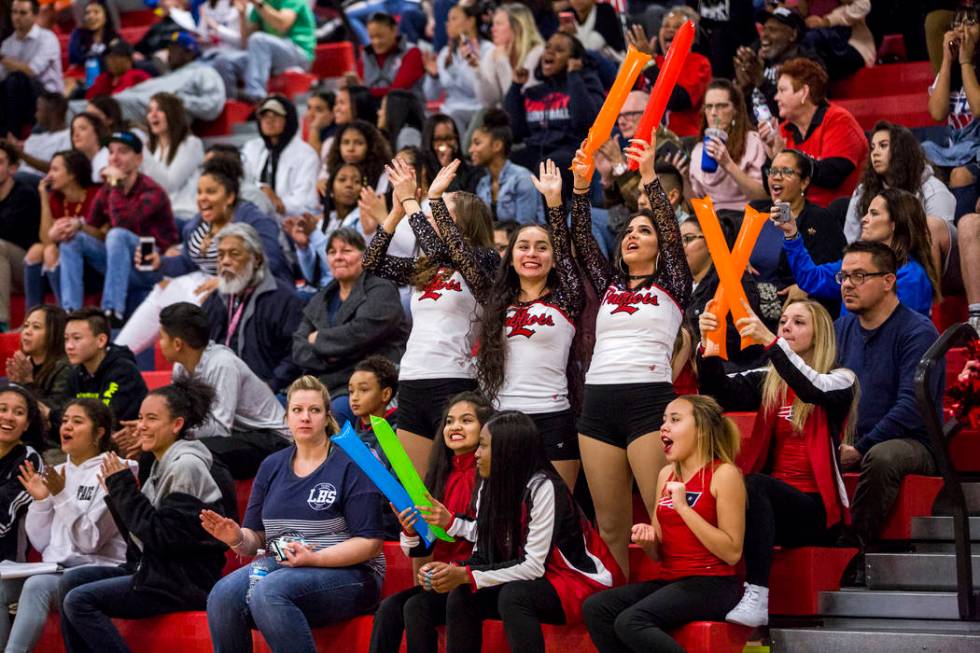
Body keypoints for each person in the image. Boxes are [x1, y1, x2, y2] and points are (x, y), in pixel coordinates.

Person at [569, 137, 691, 576]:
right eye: (629, 231)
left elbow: (674, 236)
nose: (633, 236)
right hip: (597, 406)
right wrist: (580, 190)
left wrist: (650, 178)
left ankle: (676, 597)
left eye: (645, 230)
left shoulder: (674, 284)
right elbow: (582, 241)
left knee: (663, 521)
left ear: (660, 244)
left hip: (647, 404)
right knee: (611, 526)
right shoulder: (607, 286)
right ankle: (616, 608)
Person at [696, 300, 856, 627]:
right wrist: (709, 343)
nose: (786, 327)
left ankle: (756, 594)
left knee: (753, 484)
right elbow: (718, 392)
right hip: (770, 507)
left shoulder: (841, 378)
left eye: (798, 322)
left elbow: (811, 388)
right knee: (711, 498)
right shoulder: (769, 378)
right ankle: (705, 596)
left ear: (820, 333)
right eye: (783, 320)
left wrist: (771, 341)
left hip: (816, 512)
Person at [203, 375, 386, 653]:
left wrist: (315, 558)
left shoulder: (351, 463)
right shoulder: (271, 465)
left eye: (314, 410)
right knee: (222, 595)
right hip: (286, 565)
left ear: (326, 417)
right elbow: (258, 540)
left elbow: (370, 543)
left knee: (269, 591)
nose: (305, 418)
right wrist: (238, 537)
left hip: (352, 573)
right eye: (297, 411)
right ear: (287, 417)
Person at [412, 411, 620, 652]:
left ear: (506, 451)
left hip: (578, 581)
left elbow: (533, 566)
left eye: (483, 446)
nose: (476, 454)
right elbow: (483, 555)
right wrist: (454, 571)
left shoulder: (544, 487)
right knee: (463, 593)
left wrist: (467, 573)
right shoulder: (487, 487)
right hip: (534, 578)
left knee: (514, 595)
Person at [59, 377, 233, 653]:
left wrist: (123, 488)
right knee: (70, 582)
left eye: (151, 419)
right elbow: (138, 535)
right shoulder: (159, 461)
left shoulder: (186, 466)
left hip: (182, 581)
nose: (141, 426)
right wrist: (115, 495)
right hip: (156, 569)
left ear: (176, 424)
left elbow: (162, 537)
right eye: (140, 417)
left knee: (79, 600)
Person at [362, 157, 497, 476]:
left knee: (456, 480)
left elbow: (442, 249)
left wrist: (416, 200)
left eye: (441, 210)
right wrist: (396, 210)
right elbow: (372, 262)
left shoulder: (485, 261)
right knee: (421, 489)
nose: (427, 214)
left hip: (454, 381)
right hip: (412, 379)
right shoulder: (426, 267)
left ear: (462, 222)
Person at [582, 395, 745, 653]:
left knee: (631, 621)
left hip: (713, 584)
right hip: (672, 580)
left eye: (675, 420)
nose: (664, 427)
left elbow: (732, 552)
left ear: (701, 430)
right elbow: (659, 553)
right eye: (663, 420)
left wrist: (684, 509)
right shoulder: (666, 474)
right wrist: (648, 541)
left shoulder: (724, 474)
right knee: (597, 608)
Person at [833, 242, 942, 574]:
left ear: (888, 281)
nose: (847, 284)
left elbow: (911, 406)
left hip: (914, 443)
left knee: (884, 456)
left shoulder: (917, 331)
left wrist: (860, 448)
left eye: (859, 275)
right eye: (843, 276)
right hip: (853, 438)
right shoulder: (841, 329)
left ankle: (853, 548)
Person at [475, 160, 584, 488]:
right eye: (523, 246)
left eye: (542, 247)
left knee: (560, 512)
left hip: (554, 418)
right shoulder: (496, 301)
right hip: (502, 418)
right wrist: (431, 200)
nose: (532, 253)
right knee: (505, 512)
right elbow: (460, 253)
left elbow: (567, 252)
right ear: (510, 257)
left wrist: (554, 203)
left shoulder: (566, 298)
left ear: (553, 258)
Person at [115, 155, 289, 356]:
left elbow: (272, 262)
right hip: (201, 282)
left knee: (202, 302)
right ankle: (116, 356)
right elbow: (188, 263)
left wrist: (226, 281)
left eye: (211, 192)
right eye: (199, 192)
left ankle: (192, 375)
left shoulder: (254, 220)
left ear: (230, 196)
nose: (202, 198)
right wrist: (160, 263)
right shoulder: (197, 223)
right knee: (161, 291)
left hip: (243, 289)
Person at [368, 391, 490, 653]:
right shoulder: (438, 476)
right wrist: (411, 529)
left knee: (417, 607)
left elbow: (498, 536)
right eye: (449, 421)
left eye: (466, 420)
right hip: (445, 578)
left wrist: (451, 522)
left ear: (485, 428)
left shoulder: (491, 474)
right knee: (388, 609)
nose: (455, 427)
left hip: (478, 577)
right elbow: (422, 548)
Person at [8, 398, 132, 652]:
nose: (67, 427)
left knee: (36, 586)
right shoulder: (58, 472)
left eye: (77, 421)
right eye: (64, 420)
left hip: (96, 570)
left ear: (99, 432)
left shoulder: (117, 470)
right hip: (55, 569)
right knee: (1, 589)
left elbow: (89, 543)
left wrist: (61, 496)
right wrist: (42, 500)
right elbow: (42, 542)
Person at [58, 130, 179, 325]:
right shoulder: (107, 189)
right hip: (119, 266)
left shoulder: (152, 191)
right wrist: (75, 226)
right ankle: (70, 311)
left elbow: (124, 225)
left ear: (138, 159)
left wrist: (114, 183)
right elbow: (93, 226)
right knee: (72, 240)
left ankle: (112, 312)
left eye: (122, 151)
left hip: (152, 267)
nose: (114, 157)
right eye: (111, 152)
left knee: (116, 235)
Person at [159, 302, 290, 479]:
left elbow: (219, 428)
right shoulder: (180, 368)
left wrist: (171, 432)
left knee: (200, 451)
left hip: (274, 439)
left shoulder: (222, 364)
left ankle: (220, 505)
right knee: (156, 449)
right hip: (239, 435)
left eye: (162, 337)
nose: (159, 344)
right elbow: (179, 415)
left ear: (177, 344)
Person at [293, 227, 408, 422]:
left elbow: (361, 333)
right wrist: (331, 355)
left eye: (346, 251)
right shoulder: (323, 296)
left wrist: (319, 339)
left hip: (364, 384)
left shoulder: (381, 289)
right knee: (284, 404)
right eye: (332, 252)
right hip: (325, 380)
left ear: (365, 256)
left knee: (332, 414)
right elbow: (298, 345)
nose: (338, 257)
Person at [777, 187, 939, 318]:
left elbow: (902, 335)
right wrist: (792, 233)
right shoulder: (852, 266)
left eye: (874, 214)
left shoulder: (911, 277)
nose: (864, 219)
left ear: (894, 224)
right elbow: (811, 279)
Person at [845, 121, 958, 284]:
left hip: (933, 268)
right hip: (880, 266)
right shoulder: (863, 190)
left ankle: (927, 298)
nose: (875, 153)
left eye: (883, 146)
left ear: (901, 150)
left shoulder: (933, 189)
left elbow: (940, 239)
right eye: (873, 147)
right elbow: (851, 239)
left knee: (931, 225)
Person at [202, 223, 305, 394]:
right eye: (220, 255)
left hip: (267, 393)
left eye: (234, 254)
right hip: (219, 391)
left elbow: (296, 355)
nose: (225, 261)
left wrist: (272, 385)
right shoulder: (216, 298)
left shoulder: (284, 299)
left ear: (256, 259)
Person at [748, 150, 847, 321]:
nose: (776, 177)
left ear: (804, 182)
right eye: (772, 171)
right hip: (751, 309)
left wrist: (806, 287)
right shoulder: (755, 213)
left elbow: (840, 270)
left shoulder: (821, 219)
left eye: (786, 172)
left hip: (798, 313)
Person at [759, 57, 867, 207]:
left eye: (782, 90)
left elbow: (832, 177)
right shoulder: (782, 130)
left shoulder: (838, 121)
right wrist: (772, 159)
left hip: (836, 213)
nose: (776, 97)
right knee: (754, 209)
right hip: (795, 212)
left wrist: (785, 156)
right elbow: (769, 189)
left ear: (804, 92)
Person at [506, 31, 603, 176]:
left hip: (573, 152)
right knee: (506, 165)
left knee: (546, 166)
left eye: (559, 50)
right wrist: (515, 87)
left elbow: (585, 123)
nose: (550, 52)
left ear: (573, 59)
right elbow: (516, 131)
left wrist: (573, 75)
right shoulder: (534, 92)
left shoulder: (586, 84)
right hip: (537, 149)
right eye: (548, 47)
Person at [681, 217, 767, 373]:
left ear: (711, 243)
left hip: (732, 373)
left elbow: (743, 339)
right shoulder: (679, 286)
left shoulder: (734, 280)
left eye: (687, 239)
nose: (680, 247)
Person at [24, 150, 98, 309]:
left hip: (93, 265)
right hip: (65, 265)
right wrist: (43, 197)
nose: (49, 175)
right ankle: (31, 315)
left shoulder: (95, 195)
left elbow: (104, 235)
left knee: (53, 251)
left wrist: (80, 227)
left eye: (55, 170)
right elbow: (46, 239)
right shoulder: (56, 198)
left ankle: (64, 315)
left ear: (72, 174)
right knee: (37, 250)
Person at [924, 7, 980, 211]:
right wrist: (947, 61)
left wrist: (966, 61)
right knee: (920, 162)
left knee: (960, 175)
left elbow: (978, 109)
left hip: (977, 153)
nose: (962, 30)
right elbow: (937, 113)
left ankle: (960, 234)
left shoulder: (968, 66)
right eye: (957, 24)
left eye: (971, 23)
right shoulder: (951, 70)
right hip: (955, 151)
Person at [210, 0, 315, 103]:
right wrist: (242, 14)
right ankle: (232, 106)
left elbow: (282, 24)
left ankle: (257, 96)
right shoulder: (262, 5)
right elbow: (246, 42)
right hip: (267, 55)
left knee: (258, 39)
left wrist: (257, 3)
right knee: (223, 61)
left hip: (299, 53)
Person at [58, 308, 147, 429]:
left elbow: (105, 419)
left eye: (77, 338)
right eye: (66, 339)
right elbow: (63, 414)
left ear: (101, 340)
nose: (69, 346)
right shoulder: (76, 373)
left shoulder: (123, 371)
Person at [110, 31, 227, 123]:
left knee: (113, 105)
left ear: (189, 53)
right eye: (168, 49)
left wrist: (179, 100)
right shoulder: (167, 75)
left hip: (158, 115)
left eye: (174, 49)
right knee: (109, 102)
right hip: (128, 108)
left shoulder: (203, 72)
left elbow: (212, 106)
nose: (168, 53)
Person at [689, 79, 767, 211]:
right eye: (709, 106)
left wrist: (727, 164)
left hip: (747, 217)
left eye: (721, 106)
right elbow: (697, 202)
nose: (713, 113)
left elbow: (762, 196)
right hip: (713, 220)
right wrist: (683, 176)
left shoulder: (752, 142)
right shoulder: (698, 150)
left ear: (735, 110)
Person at [628, 15, 712, 138]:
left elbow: (678, 100)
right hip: (647, 138)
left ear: (692, 38)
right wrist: (635, 61)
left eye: (678, 26)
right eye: (666, 26)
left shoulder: (699, 62)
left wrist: (649, 65)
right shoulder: (656, 61)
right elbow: (633, 97)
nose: (670, 30)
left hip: (684, 138)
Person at [287, 162, 366, 290]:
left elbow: (347, 262)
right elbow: (311, 276)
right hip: (320, 289)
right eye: (342, 180)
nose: (349, 185)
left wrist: (315, 235)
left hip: (345, 290)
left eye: (357, 181)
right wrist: (303, 247)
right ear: (330, 190)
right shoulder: (324, 221)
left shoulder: (363, 221)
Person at [733, 6, 815, 126]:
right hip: (751, 130)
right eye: (764, 29)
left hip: (784, 133)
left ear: (792, 35)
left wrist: (761, 81)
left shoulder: (808, 65)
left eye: (773, 30)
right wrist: (744, 88)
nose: (764, 35)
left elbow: (796, 110)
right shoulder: (756, 57)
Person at [242, 95, 320, 218]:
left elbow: (307, 201)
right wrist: (262, 191)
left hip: (291, 223)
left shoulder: (306, 154)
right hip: (254, 217)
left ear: (288, 120)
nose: (269, 120)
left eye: (276, 115)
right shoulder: (251, 148)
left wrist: (276, 202)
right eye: (264, 116)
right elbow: (243, 182)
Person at [422, 0, 492, 136]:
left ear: (470, 21)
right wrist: (433, 76)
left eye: (454, 19)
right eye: (447, 19)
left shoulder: (488, 50)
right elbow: (430, 96)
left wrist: (470, 65)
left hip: (476, 109)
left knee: (453, 117)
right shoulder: (444, 53)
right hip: (449, 110)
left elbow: (475, 91)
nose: (447, 24)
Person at [4, 304, 71, 440]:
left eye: (36, 327)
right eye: (26, 325)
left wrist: (27, 384)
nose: (27, 331)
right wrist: (15, 385)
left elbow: (53, 416)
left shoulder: (66, 368)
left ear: (54, 333)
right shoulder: (24, 364)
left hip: (51, 443)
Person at [0, 0, 63, 139]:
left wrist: (3, 59)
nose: (17, 17)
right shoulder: (7, 44)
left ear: (34, 15)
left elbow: (32, 71)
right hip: (17, 94)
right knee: (10, 82)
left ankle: (12, 135)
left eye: (23, 13)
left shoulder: (47, 38)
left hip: (49, 96)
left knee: (17, 78)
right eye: (14, 12)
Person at [470, 110, 544, 224]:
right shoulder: (482, 184)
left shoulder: (523, 178)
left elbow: (525, 227)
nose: (471, 150)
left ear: (497, 145)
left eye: (477, 143)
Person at [141, 92, 205, 221]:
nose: (152, 115)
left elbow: (170, 183)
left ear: (172, 114)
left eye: (159, 110)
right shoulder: (154, 151)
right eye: (150, 110)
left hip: (184, 217)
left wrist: (140, 149)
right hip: (160, 216)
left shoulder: (192, 144)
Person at [0, 384, 45, 562]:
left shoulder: (28, 460)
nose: (9, 417)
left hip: (7, 564)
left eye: (18, 412)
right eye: (2, 409)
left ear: (26, 424)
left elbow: (3, 516)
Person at [0, 141, 40, 331]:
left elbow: (8, 231)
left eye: (0, 162)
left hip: (26, 270)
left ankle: (1, 323)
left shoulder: (25, 195)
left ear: (13, 168)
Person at [475, 3, 544, 108]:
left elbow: (519, 103)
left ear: (517, 27)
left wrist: (502, 63)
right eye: (493, 24)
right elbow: (489, 101)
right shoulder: (494, 53)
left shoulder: (537, 53)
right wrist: (477, 68)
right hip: (505, 115)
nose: (493, 29)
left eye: (499, 24)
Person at [356, 12, 424, 100]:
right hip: (372, 110)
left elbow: (398, 92)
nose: (376, 42)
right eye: (372, 37)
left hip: (405, 110)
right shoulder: (365, 56)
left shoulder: (412, 52)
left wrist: (365, 92)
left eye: (380, 36)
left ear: (394, 30)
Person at [801, 0, 874, 80]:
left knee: (812, 38)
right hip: (823, 46)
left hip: (852, 47)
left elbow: (864, 5)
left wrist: (826, 21)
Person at [6, 90, 70, 178]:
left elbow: (55, 168)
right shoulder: (36, 137)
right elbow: (21, 162)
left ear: (53, 113)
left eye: (39, 110)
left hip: (41, 181)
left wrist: (20, 154)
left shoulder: (68, 137)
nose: (36, 115)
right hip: (20, 176)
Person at [421, 114, 485, 194]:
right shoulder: (421, 172)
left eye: (449, 138)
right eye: (438, 139)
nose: (444, 145)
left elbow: (457, 204)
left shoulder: (474, 173)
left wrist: (447, 169)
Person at [324, 120, 393, 193]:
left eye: (359, 143)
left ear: (371, 147)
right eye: (346, 142)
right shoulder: (329, 172)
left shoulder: (383, 175)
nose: (350, 148)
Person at [85, 38, 151, 100]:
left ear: (128, 59)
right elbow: (89, 98)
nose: (111, 61)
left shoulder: (138, 76)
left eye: (116, 57)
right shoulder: (103, 78)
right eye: (108, 57)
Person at [348, 354, 399, 433]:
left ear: (385, 394)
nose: (354, 398)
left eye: (364, 390)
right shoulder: (350, 435)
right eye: (351, 391)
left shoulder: (395, 433)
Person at [67, 0, 116, 67]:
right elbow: (73, 57)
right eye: (88, 13)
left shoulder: (113, 36)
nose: (91, 16)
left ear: (105, 17)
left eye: (96, 12)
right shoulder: (78, 34)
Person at [68, 112, 109, 183]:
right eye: (73, 130)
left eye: (82, 129)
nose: (76, 134)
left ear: (97, 132)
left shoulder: (107, 157)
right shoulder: (80, 163)